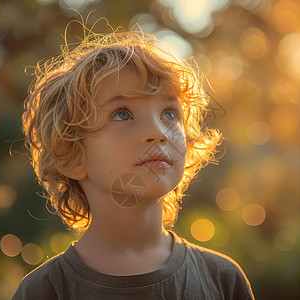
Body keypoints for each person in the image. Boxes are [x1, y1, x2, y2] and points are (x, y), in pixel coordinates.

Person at [13, 24, 254, 299]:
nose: (157, 133)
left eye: (169, 114)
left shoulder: (223, 279)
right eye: (123, 114)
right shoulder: (44, 291)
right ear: (71, 155)